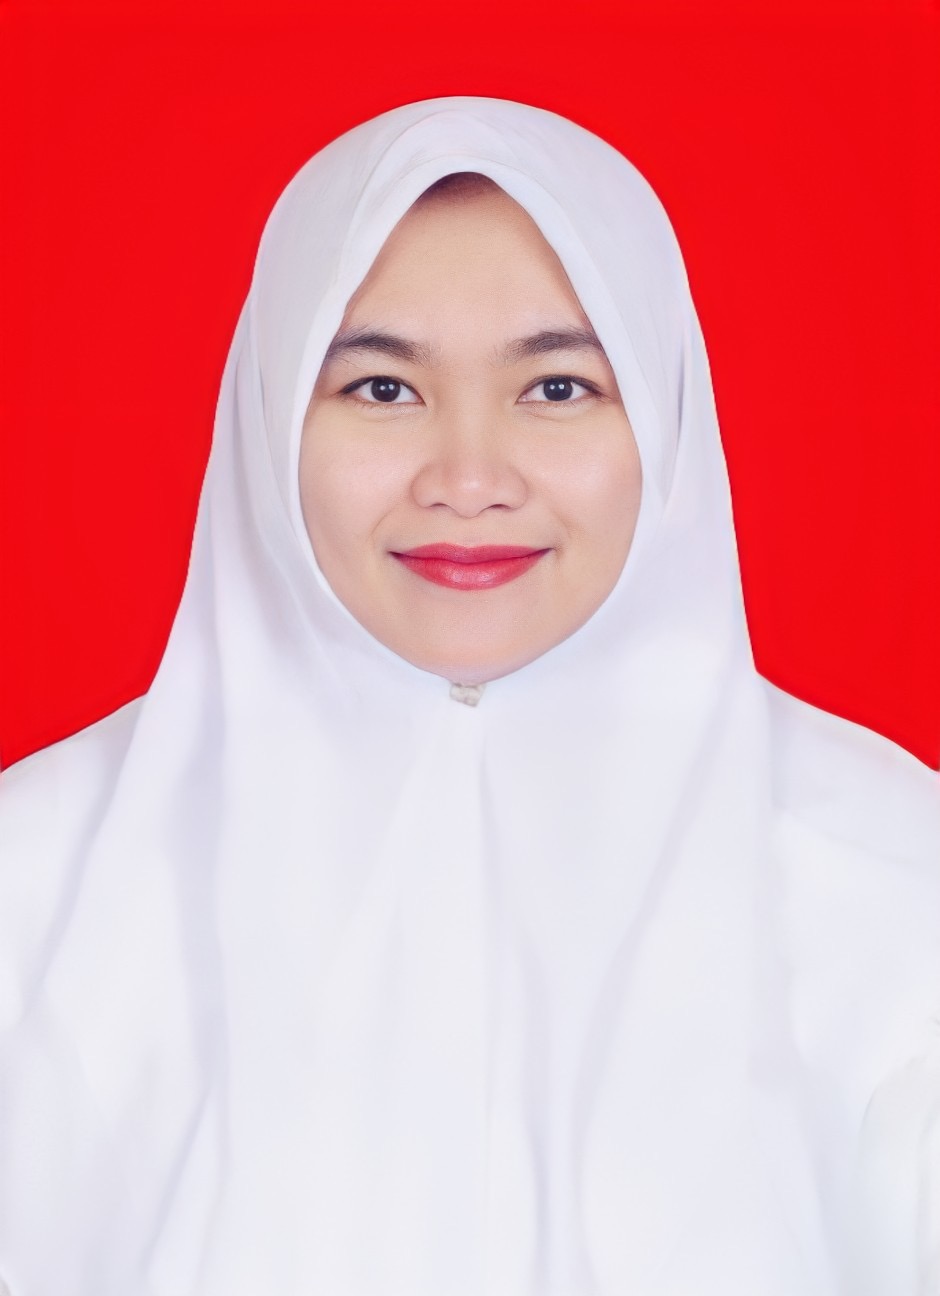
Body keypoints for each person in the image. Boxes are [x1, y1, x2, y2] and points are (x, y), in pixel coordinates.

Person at [0, 96, 937, 1296]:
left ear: (665, 415)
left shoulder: (897, 884)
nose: (468, 478)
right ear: (268, 416)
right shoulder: (39, 887)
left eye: (557, 388)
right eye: (383, 390)